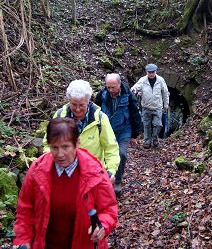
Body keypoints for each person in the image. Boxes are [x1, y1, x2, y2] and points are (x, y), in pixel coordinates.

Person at [13, 117, 118, 249]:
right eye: (54, 148)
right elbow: (25, 208)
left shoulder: (95, 171)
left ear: (77, 143)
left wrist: (102, 226)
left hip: (84, 244)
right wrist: (24, 239)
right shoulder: (38, 169)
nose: (60, 154)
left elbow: (109, 209)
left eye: (65, 147)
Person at [43, 79, 120, 183]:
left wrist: (110, 171)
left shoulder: (100, 119)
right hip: (63, 173)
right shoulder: (59, 116)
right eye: (74, 104)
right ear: (69, 101)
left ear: (88, 102)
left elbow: (111, 147)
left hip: (93, 174)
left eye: (81, 105)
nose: (78, 109)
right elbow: (48, 143)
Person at [95, 73, 142, 195]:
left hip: (124, 130)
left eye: (113, 87)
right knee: (106, 155)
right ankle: (106, 179)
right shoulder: (102, 95)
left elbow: (135, 114)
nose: (110, 90)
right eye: (108, 87)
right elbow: (95, 111)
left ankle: (118, 181)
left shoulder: (128, 95)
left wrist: (134, 135)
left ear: (119, 84)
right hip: (106, 131)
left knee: (121, 154)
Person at [131, 63, 169, 148]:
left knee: (158, 124)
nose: (151, 74)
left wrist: (166, 104)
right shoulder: (143, 80)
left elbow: (165, 92)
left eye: (153, 72)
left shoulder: (160, 80)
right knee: (146, 125)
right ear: (146, 72)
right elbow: (136, 87)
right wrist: (134, 90)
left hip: (157, 107)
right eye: (149, 72)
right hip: (146, 107)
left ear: (155, 71)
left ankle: (155, 138)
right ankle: (147, 141)